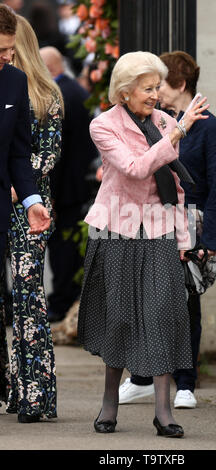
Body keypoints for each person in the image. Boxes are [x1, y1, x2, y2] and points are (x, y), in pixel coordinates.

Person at [77, 51, 210, 437]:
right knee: (118, 314)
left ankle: (164, 411)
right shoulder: (103, 125)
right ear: (125, 90)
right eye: (148, 88)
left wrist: (184, 238)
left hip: (159, 231)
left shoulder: (167, 122)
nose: (156, 95)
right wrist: (177, 133)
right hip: (116, 229)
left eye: (158, 87)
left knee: (163, 314)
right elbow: (136, 169)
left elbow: (177, 188)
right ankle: (109, 402)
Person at [119, 51, 216, 409]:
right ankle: (141, 377)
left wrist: (209, 239)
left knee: (184, 304)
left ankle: (185, 382)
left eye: (160, 85)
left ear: (179, 85)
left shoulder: (209, 126)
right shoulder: (152, 121)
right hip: (151, 217)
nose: (153, 92)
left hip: (190, 219)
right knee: (142, 299)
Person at [2, 14, 63, 423]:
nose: (8, 56)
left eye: (10, 48)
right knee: (26, 304)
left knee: (28, 303)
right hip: (19, 197)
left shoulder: (41, 91)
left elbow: (37, 155)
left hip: (26, 208)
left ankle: (34, 395)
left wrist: (25, 193)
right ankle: (16, 391)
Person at [39, 46, 100, 322]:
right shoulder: (76, 90)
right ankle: (64, 299)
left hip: (66, 189)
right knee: (69, 251)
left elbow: (55, 150)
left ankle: (60, 303)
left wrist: (48, 193)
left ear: (48, 68)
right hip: (79, 184)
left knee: (62, 251)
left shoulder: (59, 95)